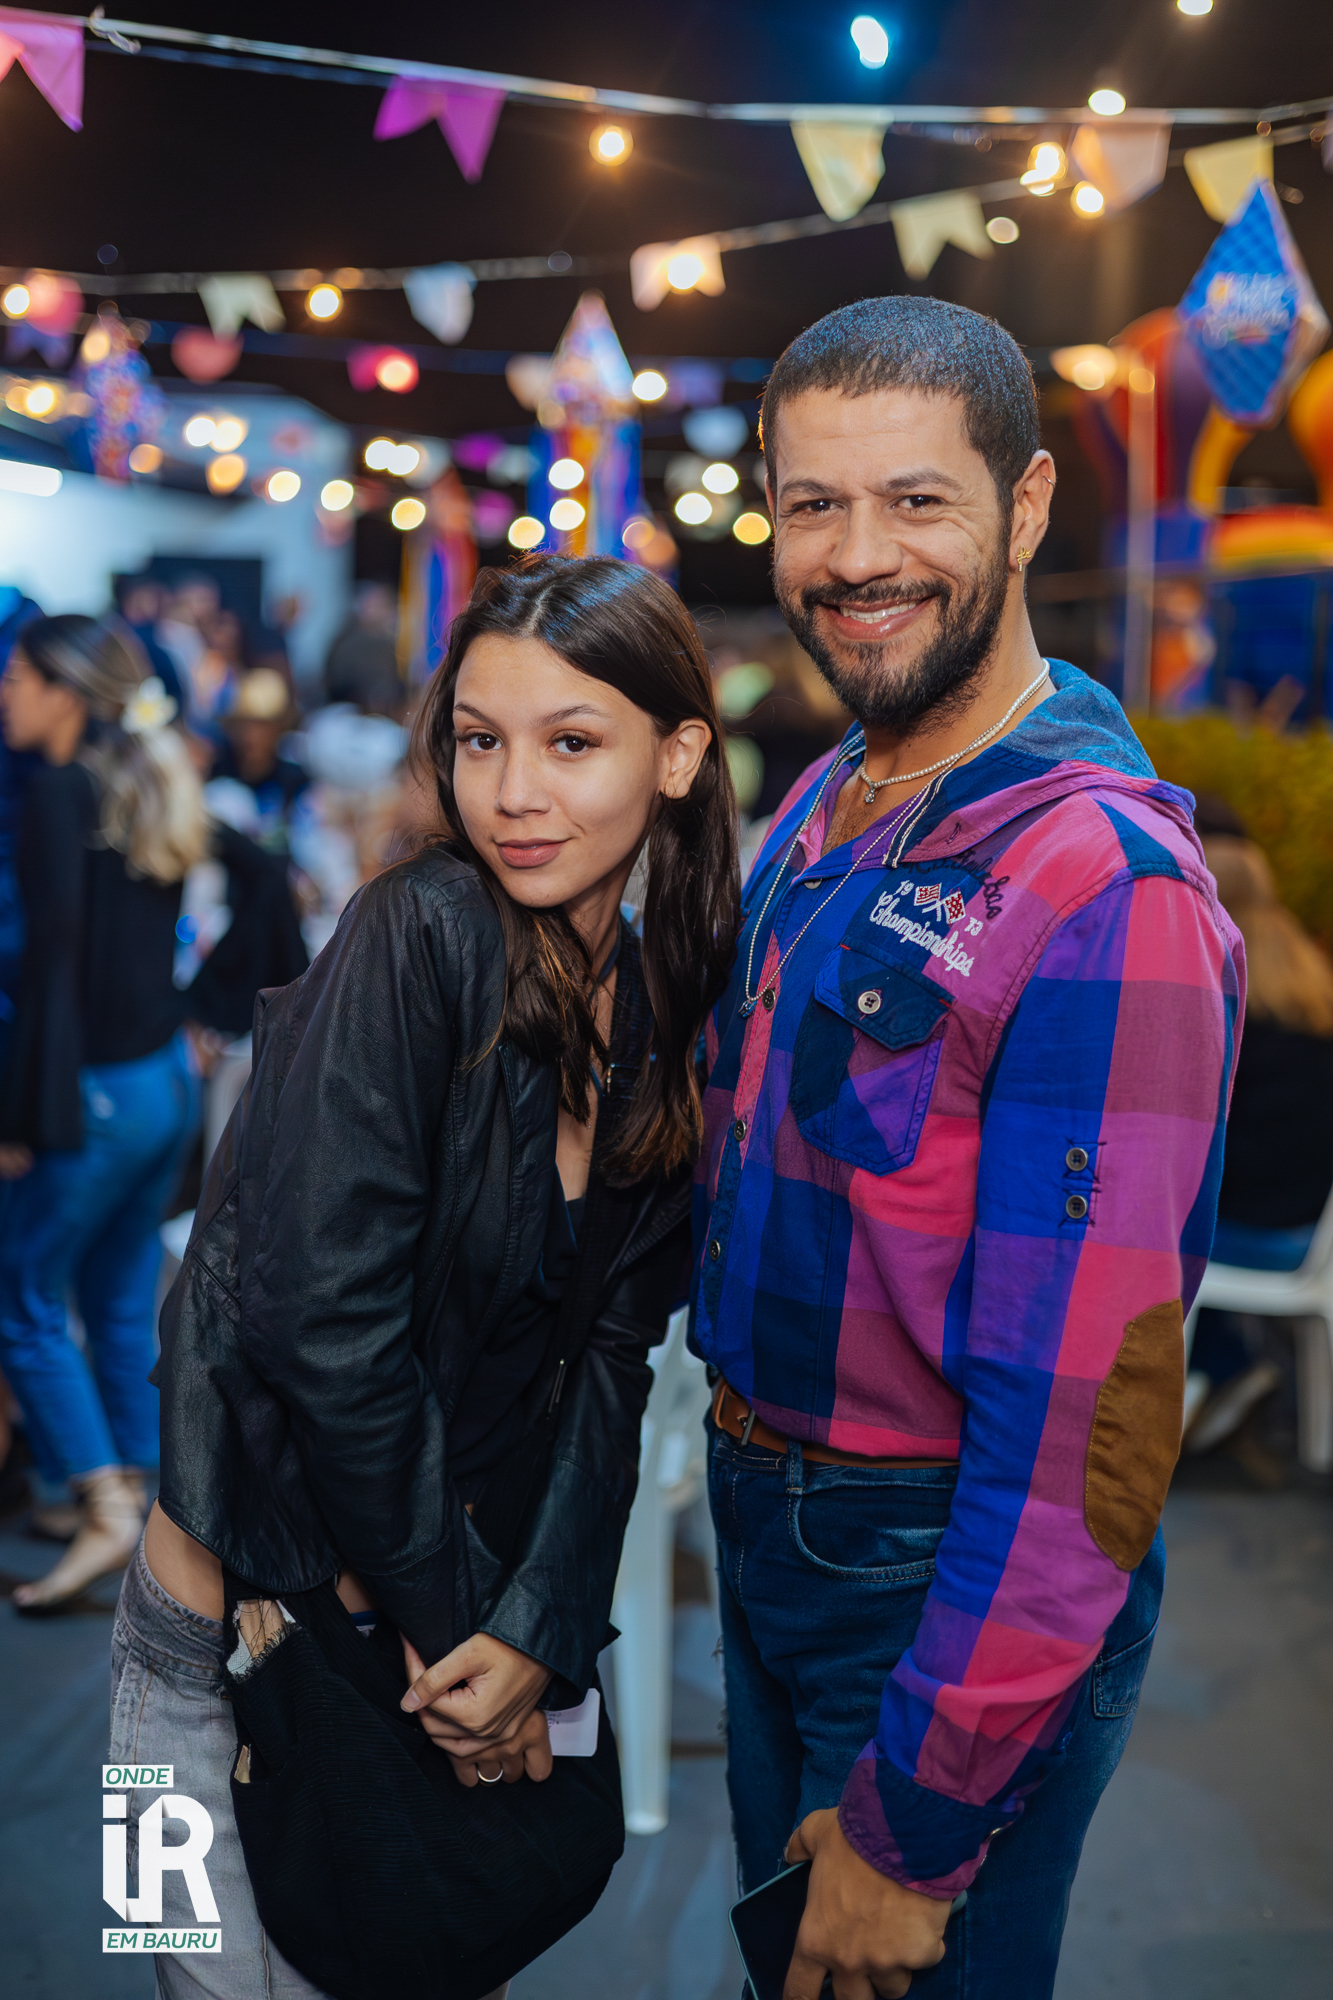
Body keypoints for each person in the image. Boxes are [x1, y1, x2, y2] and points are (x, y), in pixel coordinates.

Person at [691, 296, 1244, 2000]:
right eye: (812, 505)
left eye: (915, 501)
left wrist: (919, 1821)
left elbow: (1090, 1430)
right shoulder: (836, 794)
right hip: (773, 1527)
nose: (857, 557)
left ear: (1021, 510)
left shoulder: (1104, 887)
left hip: (929, 1577)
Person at [112, 553, 739, 1999]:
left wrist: (537, 1631)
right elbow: (321, 1326)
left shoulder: (659, 999)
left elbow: (613, 1353)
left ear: (676, 756)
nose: (512, 792)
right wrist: (464, 1634)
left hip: (414, 1612)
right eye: (478, 739)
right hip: (199, 1643)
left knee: (419, 1955)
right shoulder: (416, 928)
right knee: (182, 1964)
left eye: (570, 742)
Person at [0, 616, 207, 1610]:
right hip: (162, 1081)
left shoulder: (60, 791)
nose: (5, 693)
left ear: (65, 692)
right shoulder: (142, 779)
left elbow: (53, 970)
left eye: (16, 676)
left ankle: (103, 1506)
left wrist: (19, 1115)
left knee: (21, 1296)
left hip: (96, 1091)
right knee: (118, 1300)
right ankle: (144, 1506)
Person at [1184, 832, 1333, 1453]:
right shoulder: (1312, 980)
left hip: (1247, 1231)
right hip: (1312, 1235)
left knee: (1151, 1223)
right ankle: (1227, 1364)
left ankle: (1215, 1368)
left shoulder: (1217, 980)